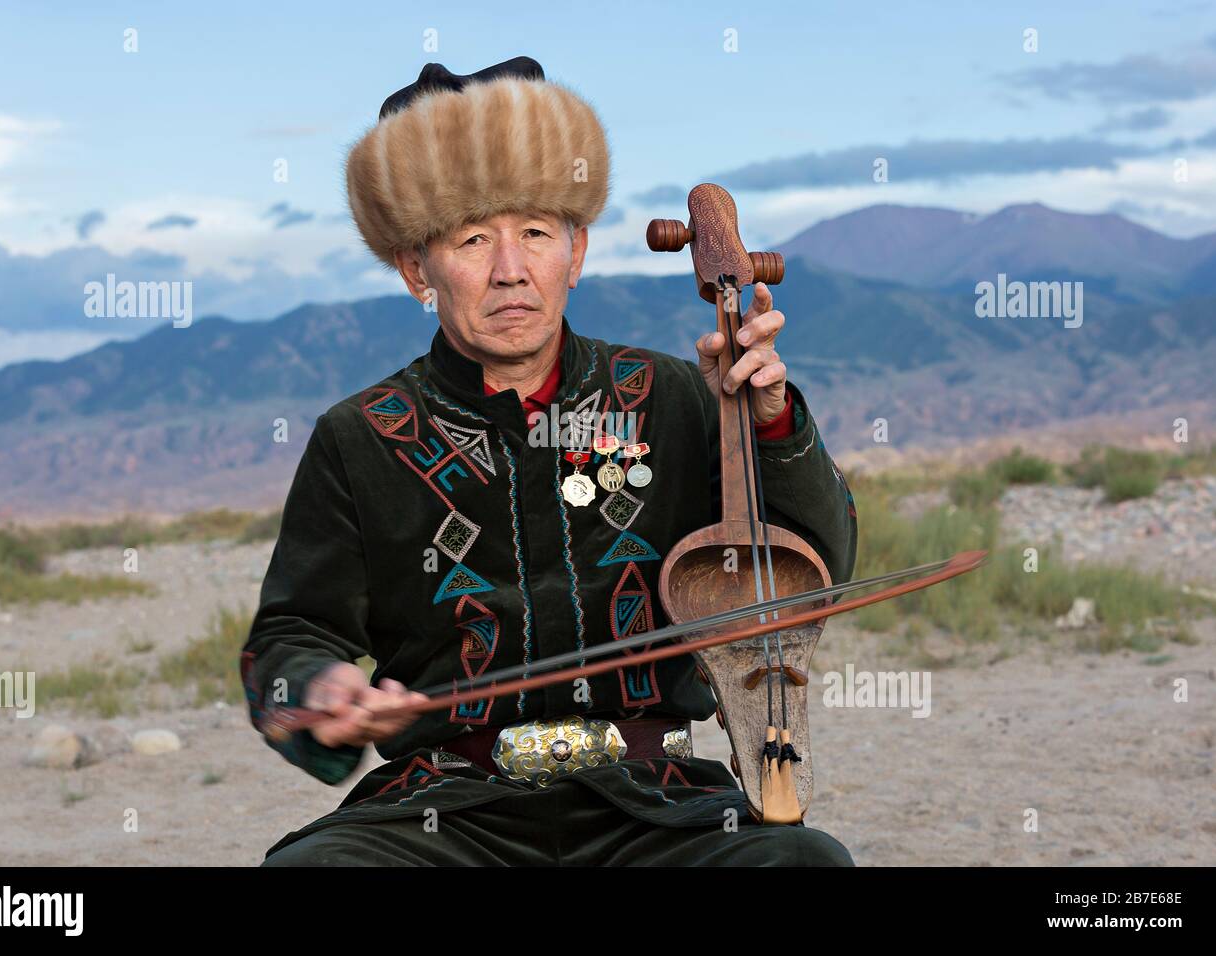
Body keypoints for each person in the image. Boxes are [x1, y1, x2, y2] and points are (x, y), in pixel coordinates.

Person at [242, 56, 858, 866]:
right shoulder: (360, 436)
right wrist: (321, 690)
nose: (510, 270)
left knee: (800, 863)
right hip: (446, 810)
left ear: (577, 250)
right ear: (415, 269)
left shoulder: (672, 397)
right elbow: (288, 636)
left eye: (535, 232)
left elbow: (812, 568)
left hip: (650, 803)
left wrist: (768, 424)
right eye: (472, 239)